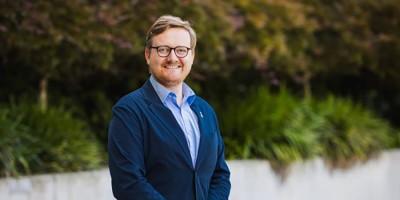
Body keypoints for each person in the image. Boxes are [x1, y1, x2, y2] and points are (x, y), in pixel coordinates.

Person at [108, 15, 231, 200]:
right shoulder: (129, 111)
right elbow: (128, 184)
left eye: (181, 50)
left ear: (192, 56)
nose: (173, 58)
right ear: (148, 55)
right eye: (163, 49)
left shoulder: (205, 111)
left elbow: (219, 175)